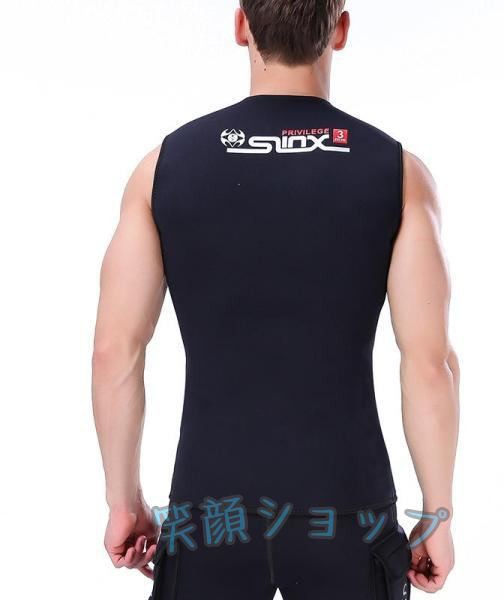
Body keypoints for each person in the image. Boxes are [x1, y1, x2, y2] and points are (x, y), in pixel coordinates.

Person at [92, 1, 460, 598]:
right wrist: (437, 513)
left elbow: (115, 352)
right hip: (346, 511)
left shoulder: (163, 168)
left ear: (242, 26)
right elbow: (429, 364)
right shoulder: (396, 173)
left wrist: (124, 501)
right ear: (340, 30)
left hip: (210, 513)